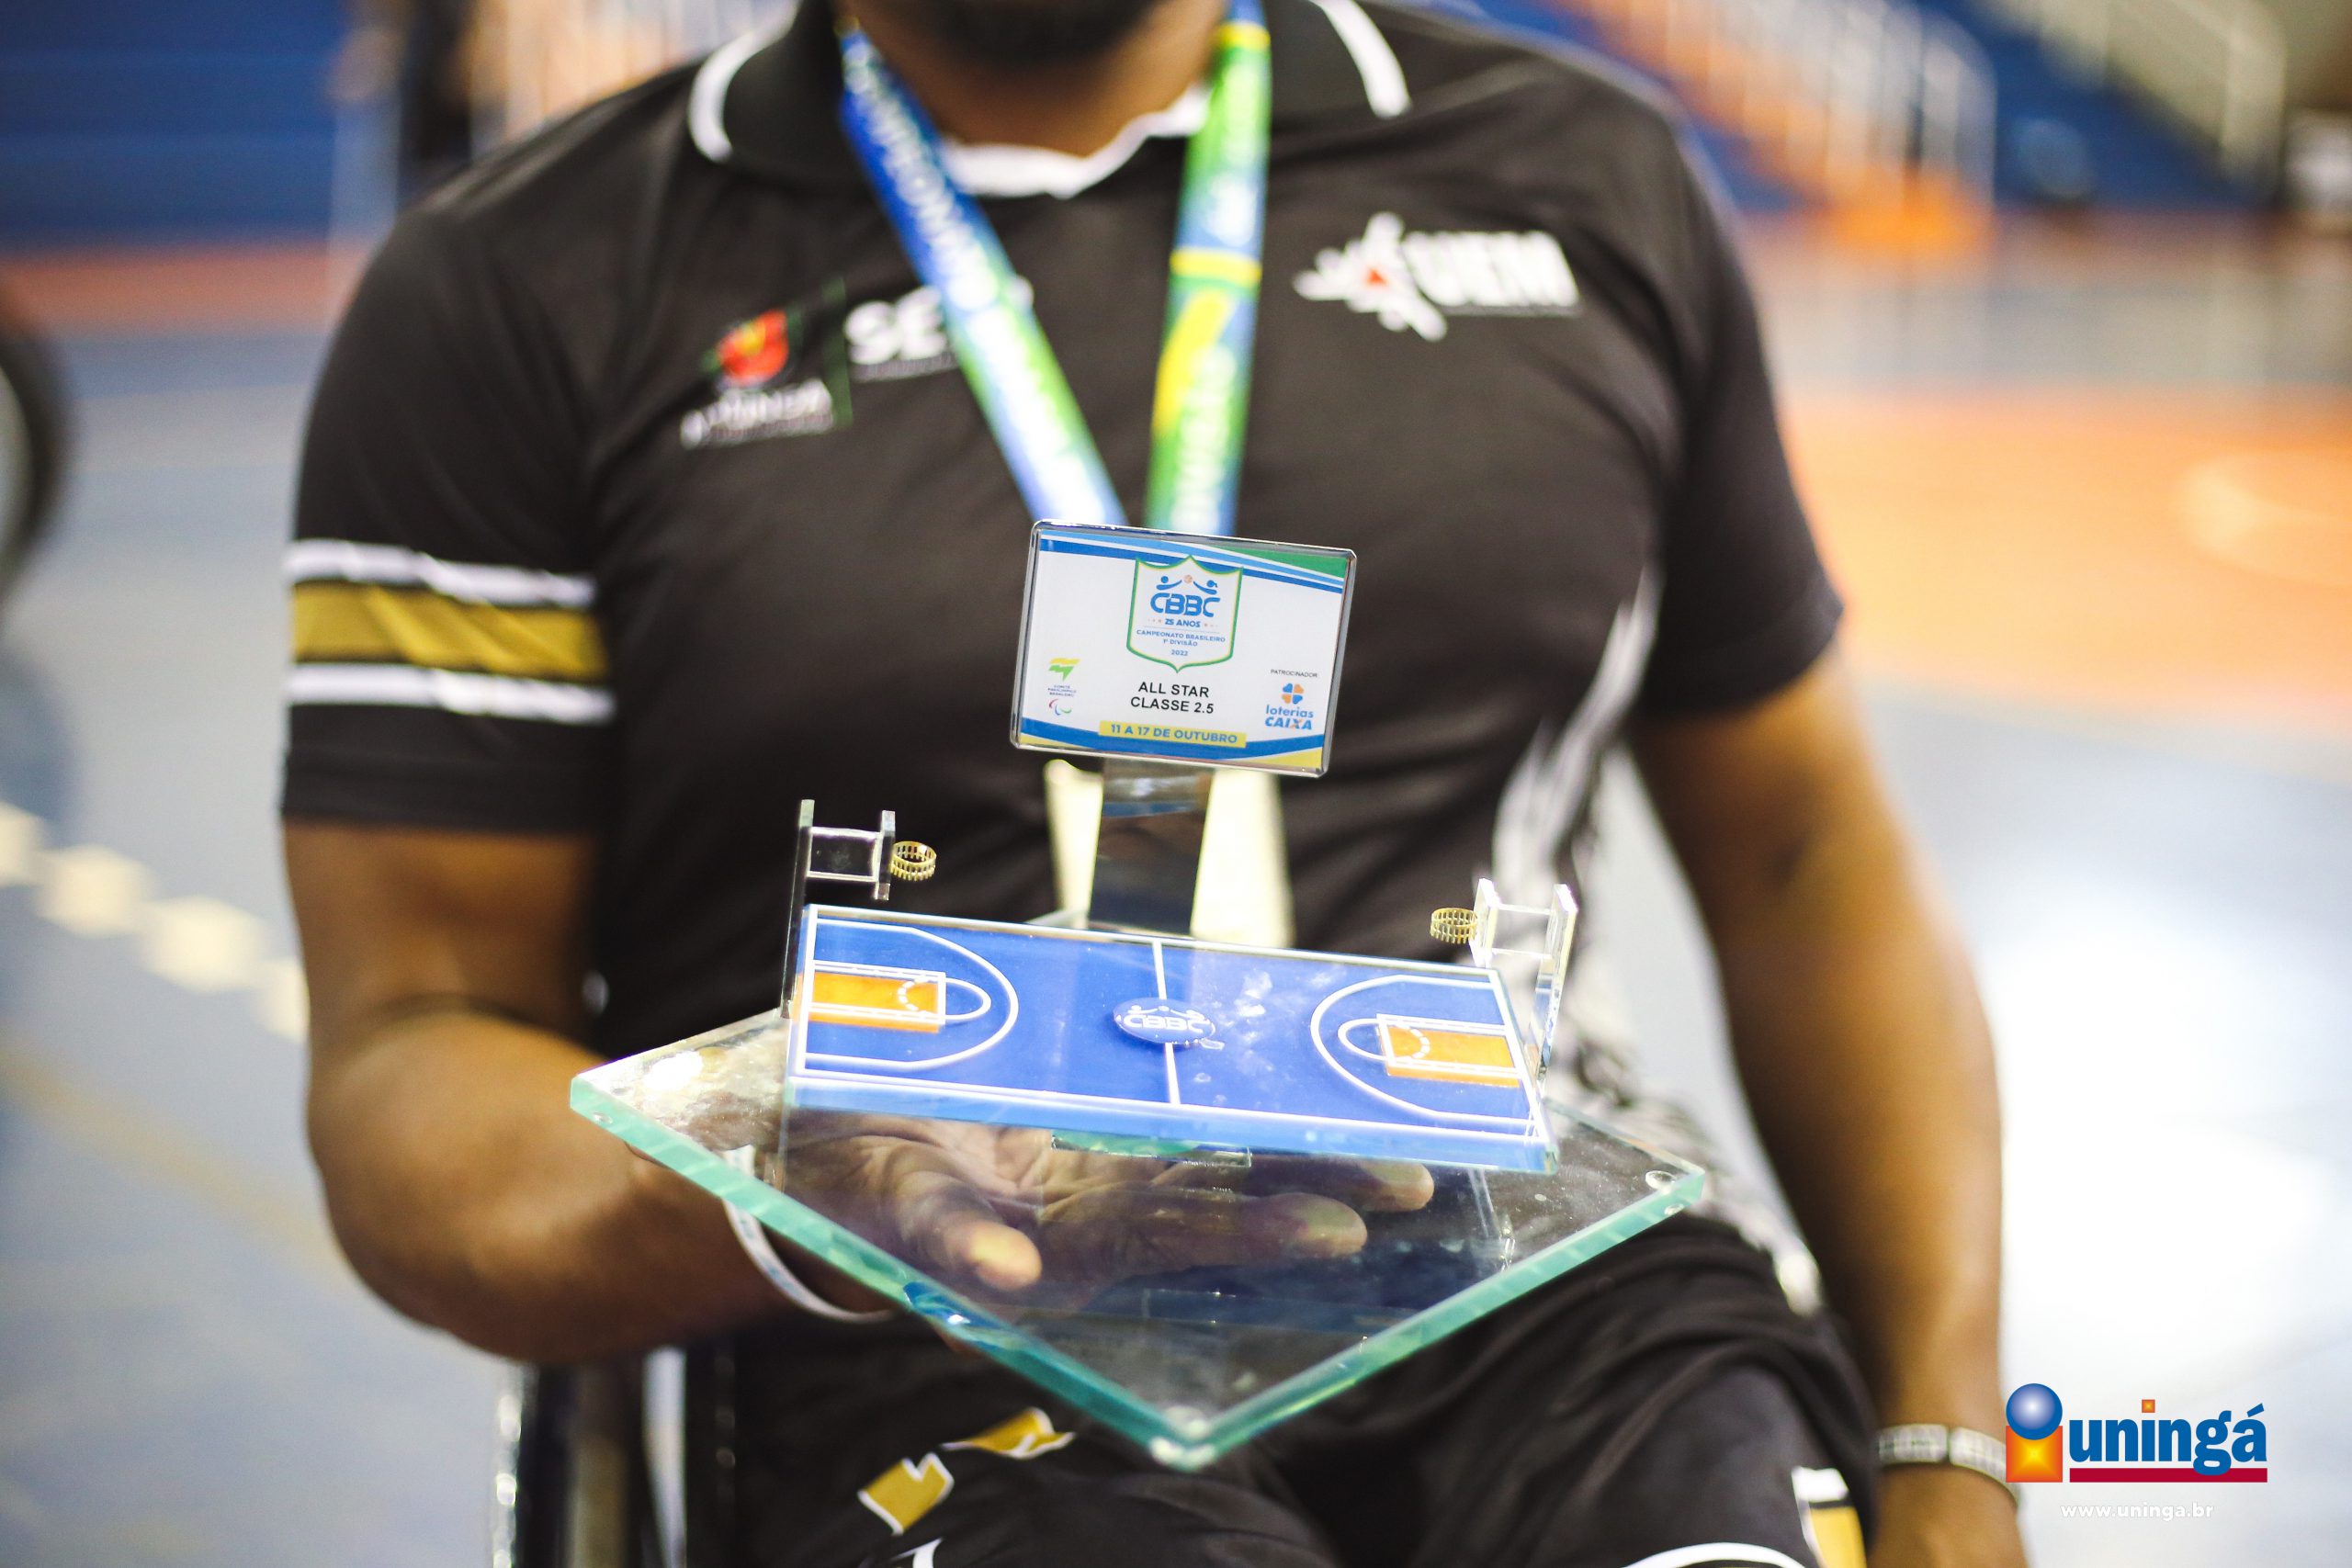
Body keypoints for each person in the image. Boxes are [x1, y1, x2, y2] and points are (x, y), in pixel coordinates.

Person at [281, 0, 2026, 1563]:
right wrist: (792, 1172)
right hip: (907, 1318)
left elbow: (1804, 852)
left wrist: (1952, 1447)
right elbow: (418, 1032)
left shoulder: (1585, 176)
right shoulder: (521, 280)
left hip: (1543, 1266)